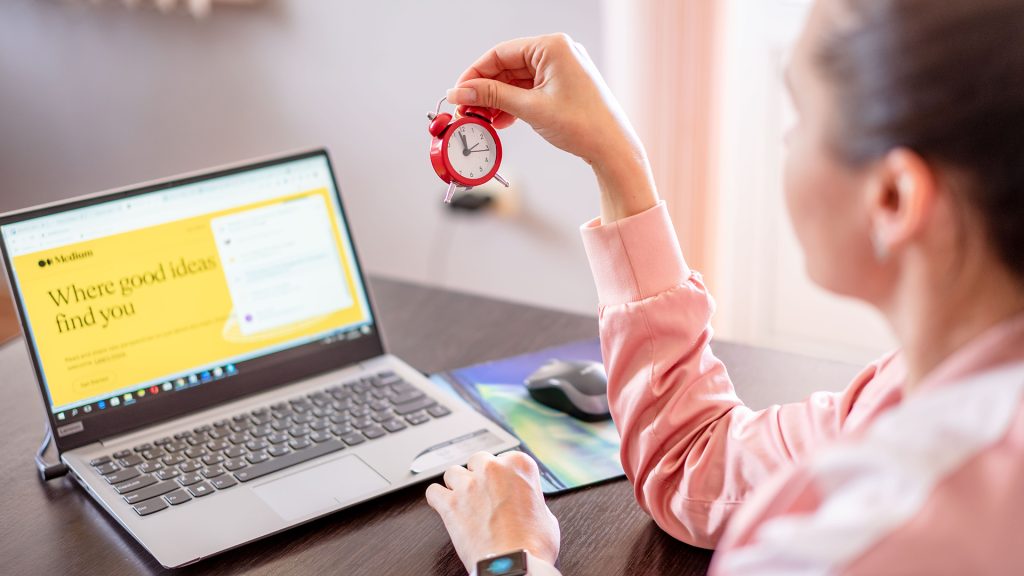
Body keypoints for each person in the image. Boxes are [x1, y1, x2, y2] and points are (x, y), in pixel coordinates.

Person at [424, 0, 1024, 573]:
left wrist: (506, 558)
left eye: (804, 116)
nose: (788, 141)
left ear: (893, 198)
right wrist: (616, 158)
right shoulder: (913, 394)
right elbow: (695, 468)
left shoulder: (852, 543)